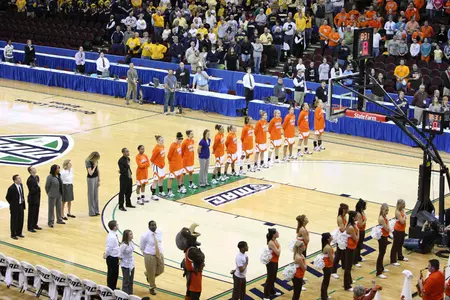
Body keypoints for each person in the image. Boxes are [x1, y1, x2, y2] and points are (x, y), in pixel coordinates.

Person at [140, 220, 164, 296]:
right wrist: (146, 254)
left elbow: (159, 242)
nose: (154, 226)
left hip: (159, 254)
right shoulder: (145, 235)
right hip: (150, 255)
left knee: (161, 269)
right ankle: (152, 287)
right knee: (152, 272)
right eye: (152, 225)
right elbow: (142, 247)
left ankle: (148, 276)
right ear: (149, 226)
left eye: (155, 225)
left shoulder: (159, 232)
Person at [6, 174, 26, 240]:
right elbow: (7, 197)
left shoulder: (21, 185)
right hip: (14, 207)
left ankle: (19, 233)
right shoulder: (11, 188)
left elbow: (22, 195)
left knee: (21, 219)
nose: (20, 179)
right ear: (15, 180)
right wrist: (13, 204)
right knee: (14, 220)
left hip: (21, 205)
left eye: (20, 178)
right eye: (18, 178)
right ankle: (13, 234)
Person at [332, 203, 349, 279]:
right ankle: (333, 271)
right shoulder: (339, 218)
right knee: (338, 254)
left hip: (344, 235)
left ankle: (344, 266)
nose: (348, 210)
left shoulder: (345, 216)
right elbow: (342, 228)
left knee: (344, 252)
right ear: (344, 210)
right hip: (340, 236)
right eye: (347, 209)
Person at [263, 228, 281, 300]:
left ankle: (272, 291)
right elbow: (278, 252)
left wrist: (279, 248)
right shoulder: (271, 242)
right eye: (277, 232)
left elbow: (278, 251)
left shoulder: (275, 241)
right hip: (271, 262)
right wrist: (279, 247)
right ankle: (265, 295)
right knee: (269, 279)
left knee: (273, 278)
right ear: (274, 235)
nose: (278, 233)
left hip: (275, 261)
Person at [344, 211, 359, 291]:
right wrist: (358, 232)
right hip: (349, 248)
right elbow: (356, 239)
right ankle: (347, 286)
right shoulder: (350, 227)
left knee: (349, 266)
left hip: (352, 247)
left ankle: (349, 280)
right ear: (353, 218)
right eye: (356, 216)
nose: (358, 217)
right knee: (348, 267)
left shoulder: (354, 225)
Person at [167, 132, 186, 197]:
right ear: (177, 139)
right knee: (171, 178)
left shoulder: (179, 145)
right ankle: (169, 191)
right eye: (180, 139)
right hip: (173, 165)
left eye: (181, 139)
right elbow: (169, 156)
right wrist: (170, 162)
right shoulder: (173, 145)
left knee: (179, 176)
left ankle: (179, 188)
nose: (181, 140)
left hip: (179, 164)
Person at [390, 199, 408, 266]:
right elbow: (402, 221)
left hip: (402, 230)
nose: (404, 205)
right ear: (400, 204)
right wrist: (405, 217)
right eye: (403, 204)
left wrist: (404, 216)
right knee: (395, 245)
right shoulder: (397, 212)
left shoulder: (402, 211)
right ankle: (393, 260)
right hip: (397, 230)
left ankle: (400, 257)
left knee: (400, 244)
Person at [105, 220, 120, 290]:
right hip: (112, 258)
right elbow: (109, 248)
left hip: (114, 257)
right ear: (114, 227)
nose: (118, 225)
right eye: (117, 225)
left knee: (114, 273)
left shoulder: (114, 234)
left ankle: (113, 286)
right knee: (112, 274)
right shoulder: (112, 237)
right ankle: (111, 288)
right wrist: (106, 255)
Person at [377, 203, 390, 279]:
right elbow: (387, 229)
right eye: (386, 210)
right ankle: (378, 272)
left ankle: (381, 267)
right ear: (382, 210)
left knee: (383, 252)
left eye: (388, 210)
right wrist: (388, 227)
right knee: (381, 254)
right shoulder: (381, 218)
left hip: (385, 236)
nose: (387, 212)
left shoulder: (385, 217)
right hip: (382, 237)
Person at [119, 229, 135, 294]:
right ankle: (124, 295)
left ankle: (130, 294)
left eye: (132, 234)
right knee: (126, 281)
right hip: (125, 265)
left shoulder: (131, 242)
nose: (132, 235)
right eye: (130, 234)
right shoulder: (123, 245)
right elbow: (119, 255)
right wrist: (123, 260)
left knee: (131, 281)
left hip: (131, 264)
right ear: (127, 236)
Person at [26, 167, 41, 233]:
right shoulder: (30, 180)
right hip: (32, 198)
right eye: (33, 169)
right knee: (31, 213)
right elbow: (32, 190)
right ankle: (30, 227)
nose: (35, 169)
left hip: (37, 197)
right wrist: (38, 187)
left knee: (36, 212)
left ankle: (35, 224)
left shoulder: (37, 177)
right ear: (30, 171)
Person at [86, 151, 100, 217]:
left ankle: (96, 210)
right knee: (91, 195)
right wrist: (94, 166)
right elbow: (90, 173)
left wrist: (99, 179)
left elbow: (98, 170)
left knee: (96, 195)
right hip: (91, 179)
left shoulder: (96, 161)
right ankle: (91, 212)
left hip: (96, 177)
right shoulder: (88, 161)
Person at [354, 199, 367, 267]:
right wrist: (365, 220)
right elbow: (360, 224)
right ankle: (355, 261)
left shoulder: (362, 212)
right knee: (357, 246)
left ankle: (358, 257)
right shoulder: (358, 214)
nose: (366, 206)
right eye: (365, 205)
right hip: (359, 231)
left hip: (362, 230)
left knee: (360, 245)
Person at [321, 233, 334, 300]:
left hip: (327, 266)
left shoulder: (327, 246)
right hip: (327, 266)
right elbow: (331, 259)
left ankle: (325, 296)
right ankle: (323, 297)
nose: (332, 236)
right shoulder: (328, 247)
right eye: (331, 236)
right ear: (328, 239)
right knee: (325, 282)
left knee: (326, 281)